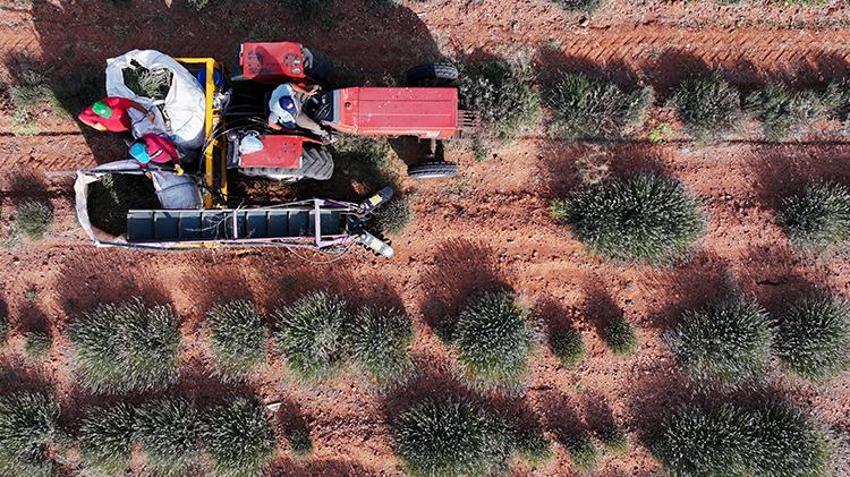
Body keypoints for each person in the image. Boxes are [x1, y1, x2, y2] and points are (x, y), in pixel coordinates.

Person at [78, 97, 150, 133]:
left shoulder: (115, 101)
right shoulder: (88, 113)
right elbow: (81, 117)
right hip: (118, 131)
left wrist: (147, 113)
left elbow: (132, 103)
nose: (110, 116)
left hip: (129, 122)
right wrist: (93, 125)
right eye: (106, 115)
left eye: (109, 112)